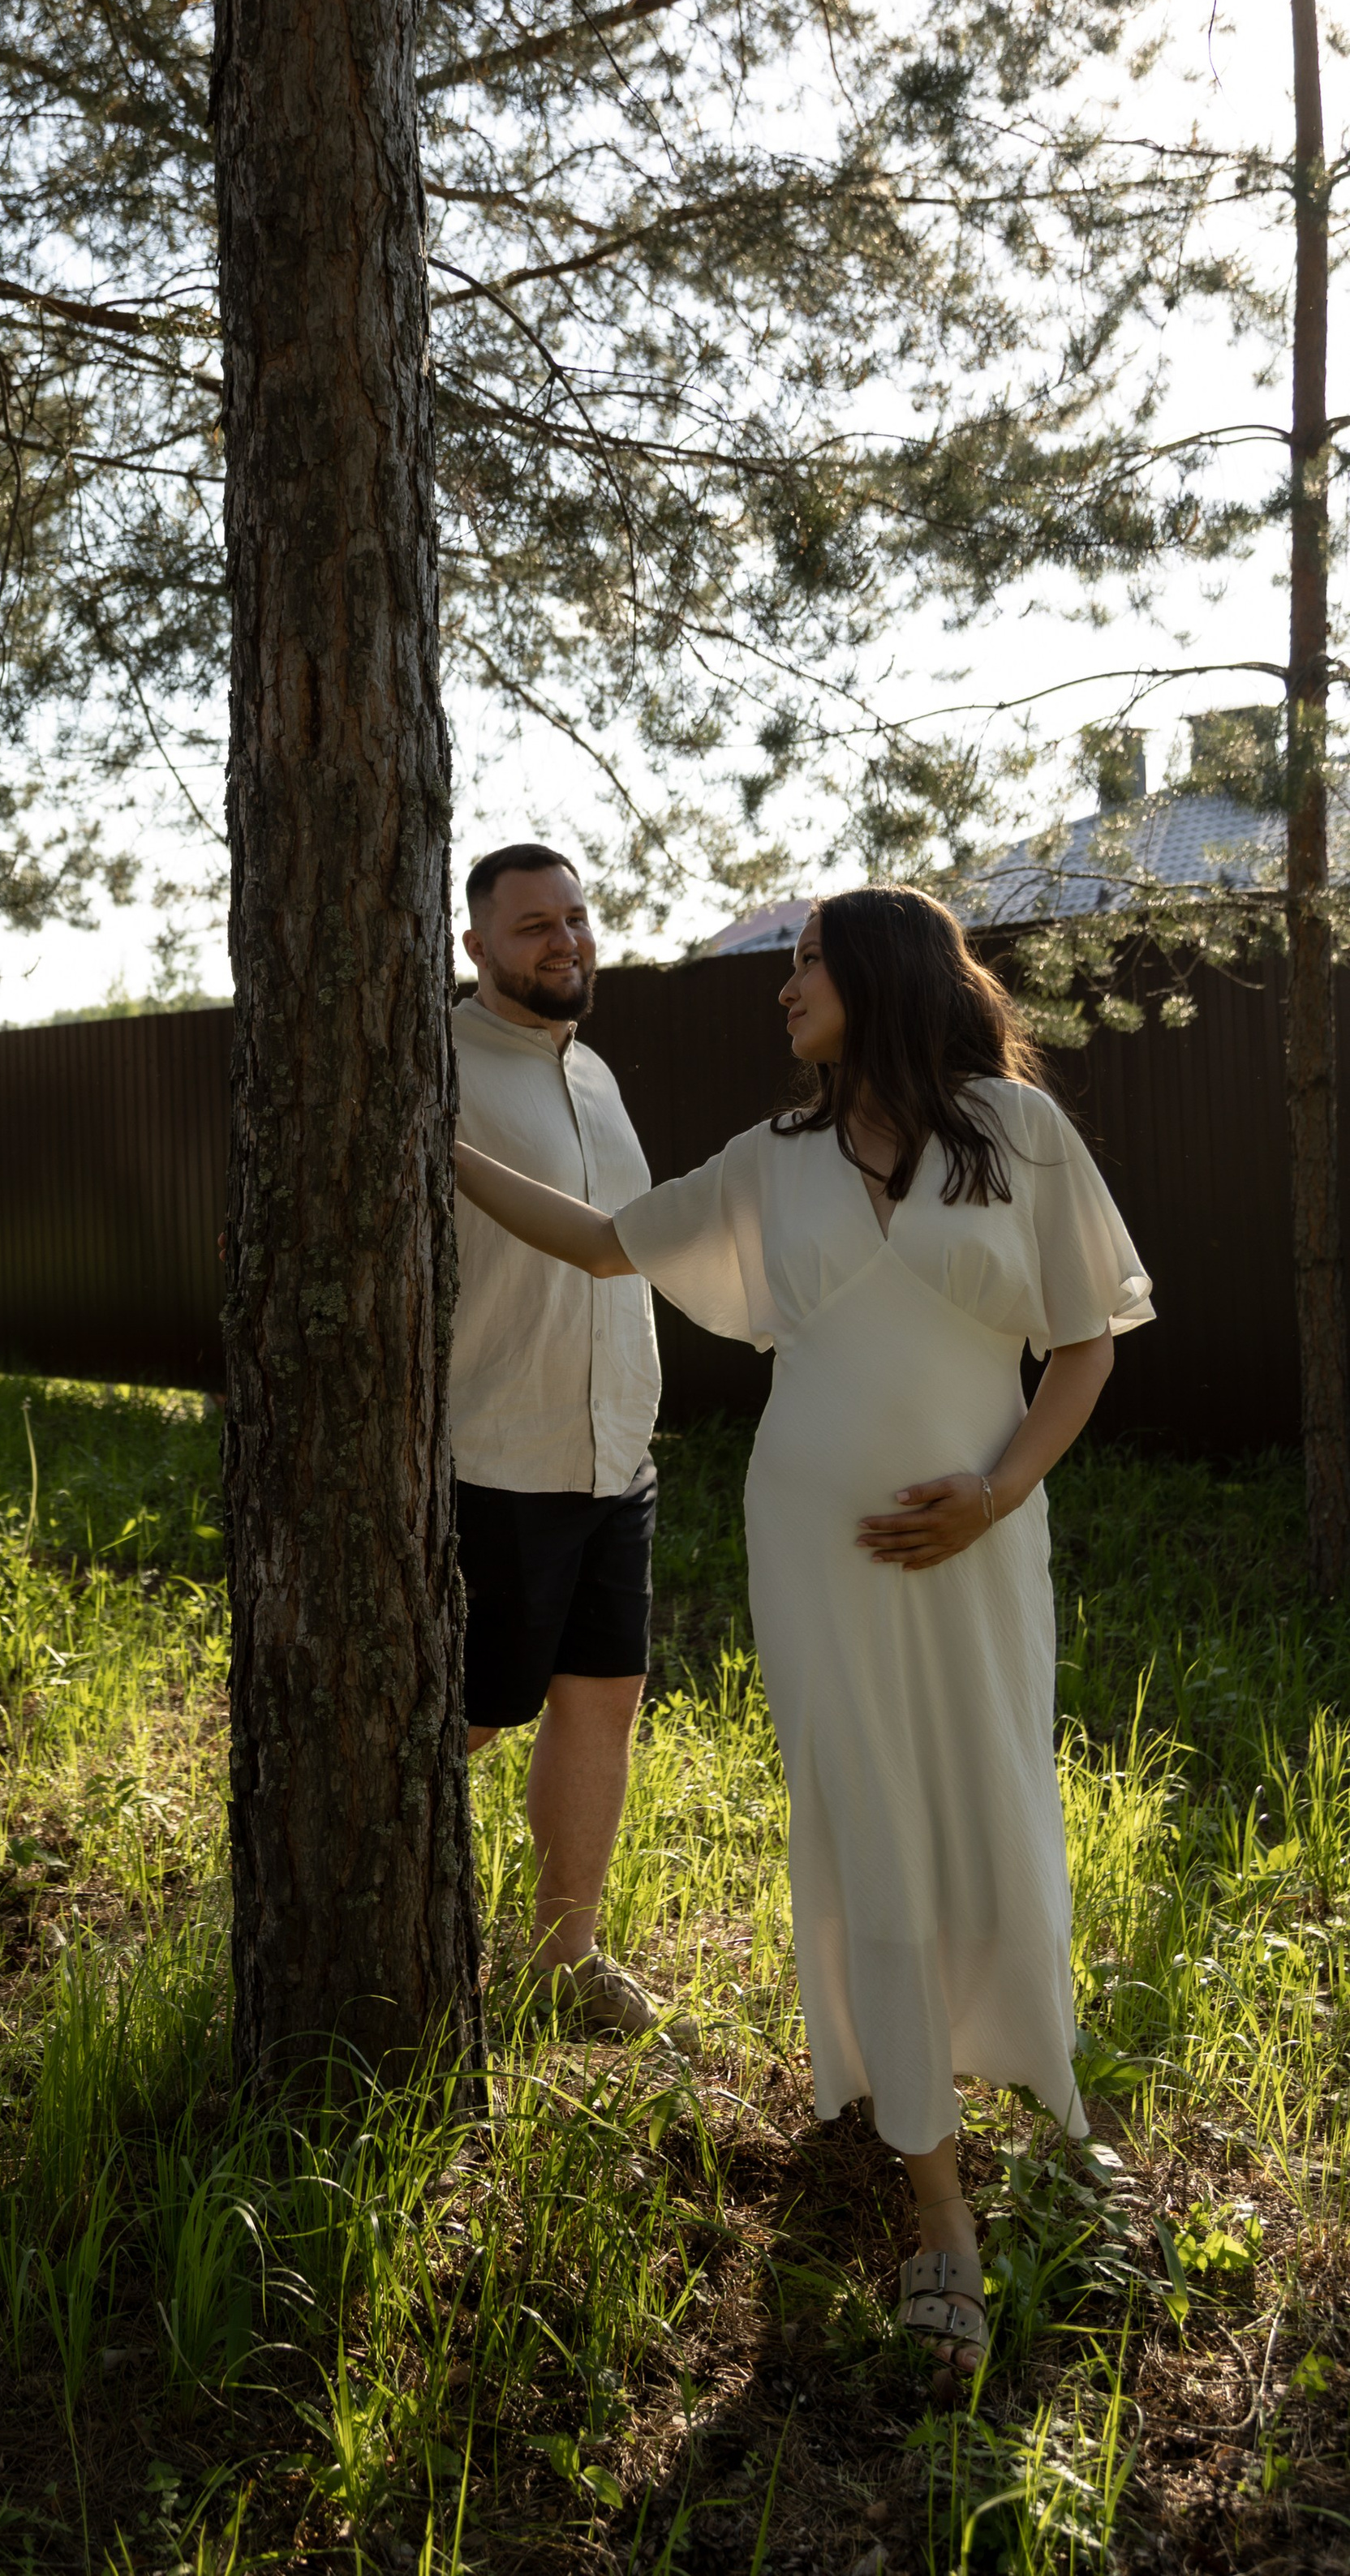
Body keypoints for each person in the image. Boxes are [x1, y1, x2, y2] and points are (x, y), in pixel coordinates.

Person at [454, 885, 1150, 2383]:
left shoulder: (1018, 1135)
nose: (787, 990)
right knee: (873, 1831)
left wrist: (995, 1487)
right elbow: (600, 1244)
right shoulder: (776, 1162)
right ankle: (936, 2209)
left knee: (1000, 1811)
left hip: (982, 1544)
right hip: (816, 1550)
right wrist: (430, 1146)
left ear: (885, 975)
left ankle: (1058, 2111)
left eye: (810, 965)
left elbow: (1087, 1338)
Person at [452, 843, 667, 2036]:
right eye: (533, 924)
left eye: (576, 918)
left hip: (615, 1451)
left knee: (602, 1699)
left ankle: (560, 1961)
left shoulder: (596, 1078)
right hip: (497, 1447)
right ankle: (369, 1932)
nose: (564, 940)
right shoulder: (433, 1063)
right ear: (475, 942)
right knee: (474, 1712)